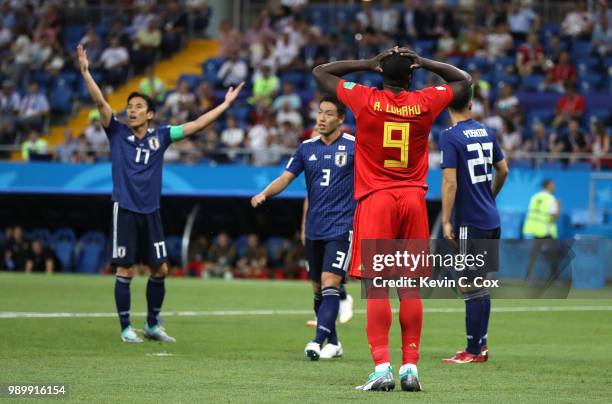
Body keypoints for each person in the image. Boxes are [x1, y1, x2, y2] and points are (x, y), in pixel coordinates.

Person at [313, 46, 471, 391]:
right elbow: (464, 80)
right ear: (412, 76)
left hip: (377, 199)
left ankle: (382, 367)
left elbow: (322, 71)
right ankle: (410, 369)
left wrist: (367, 64)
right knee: (410, 287)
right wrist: (425, 61)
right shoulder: (426, 101)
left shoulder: (365, 98)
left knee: (377, 286)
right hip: (413, 200)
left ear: (381, 74)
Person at [77, 44, 243, 343]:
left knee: (161, 268)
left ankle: (152, 324)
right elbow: (101, 103)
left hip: (151, 211)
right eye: (130, 106)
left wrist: (225, 105)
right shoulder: (116, 132)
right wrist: (87, 73)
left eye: (139, 107)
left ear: (150, 114)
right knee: (125, 269)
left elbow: (195, 125)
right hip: (125, 208)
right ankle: (126, 328)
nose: (132, 110)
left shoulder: (162, 135)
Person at [251, 96, 355, 361]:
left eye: (328, 113)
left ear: (340, 119)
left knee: (330, 282)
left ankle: (317, 341)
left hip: (342, 227)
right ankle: (334, 342)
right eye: (319, 112)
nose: (321, 118)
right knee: (317, 290)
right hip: (314, 229)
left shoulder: (356, 147)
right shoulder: (306, 148)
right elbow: (286, 178)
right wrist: (264, 194)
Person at [438, 84, 509, 364]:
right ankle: (481, 345)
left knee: (469, 284)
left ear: (447, 108)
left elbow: (450, 182)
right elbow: (503, 170)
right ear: (470, 106)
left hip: (470, 221)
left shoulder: (450, 136)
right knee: (480, 283)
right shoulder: (486, 131)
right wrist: (489, 197)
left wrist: (445, 220)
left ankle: (473, 350)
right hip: (490, 217)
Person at [523, 179, 560, 282]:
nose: (554, 187)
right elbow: (554, 215)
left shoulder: (535, 197)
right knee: (553, 255)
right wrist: (559, 208)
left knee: (533, 255)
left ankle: (527, 277)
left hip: (536, 230)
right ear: (548, 186)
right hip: (547, 230)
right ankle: (555, 278)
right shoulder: (551, 199)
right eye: (553, 185)